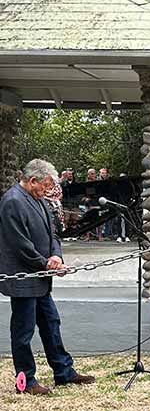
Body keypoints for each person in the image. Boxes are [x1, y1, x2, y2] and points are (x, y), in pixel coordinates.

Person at [0, 159, 96, 395]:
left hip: (41, 277)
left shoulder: (39, 200)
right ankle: (26, 380)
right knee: (23, 331)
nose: (47, 190)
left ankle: (63, 371)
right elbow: (19, 243)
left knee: (51, 323)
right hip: (23, 279)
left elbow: (53, 234)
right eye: (44, 185)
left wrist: (56, 256)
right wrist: (45, 262)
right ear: (32, 181)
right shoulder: (12, 201)